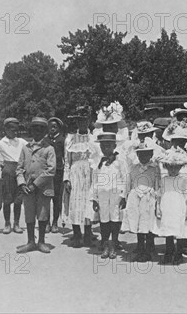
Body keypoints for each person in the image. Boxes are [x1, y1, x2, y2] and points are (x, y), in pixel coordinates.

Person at [153, 149, 187, 265]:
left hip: (179, 208)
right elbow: (159, 195)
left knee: (180, 231)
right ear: (165, 167)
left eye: (176, 167)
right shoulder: (164, 180)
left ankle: (179, 253)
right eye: (170, 167)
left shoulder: (184, 180)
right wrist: (158, 208)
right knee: (168, 230)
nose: (173, 170)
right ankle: (169, 252)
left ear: (181, 167)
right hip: (167, 208)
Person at [16, 117, 56, 254]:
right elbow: (19, 168)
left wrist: (36, 184)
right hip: (27, 189)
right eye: (35, 128)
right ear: (31, 130)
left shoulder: (49, 148)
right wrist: (21, 183)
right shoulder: (25, 148)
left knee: (43, 214)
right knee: (29, 214)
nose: (37, 131)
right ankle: (30, 242)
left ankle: (42, 241)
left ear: (45, 131)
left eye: (41, 129)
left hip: (43, 188)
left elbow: (51, 170)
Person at [63, 106, 99, 248]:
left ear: (89, 120)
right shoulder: (70, 139)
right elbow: (67, 160)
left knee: (88, 202)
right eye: (79, 120)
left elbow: (97, 158)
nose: (82, 123)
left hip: (90, 172)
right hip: (75, 172)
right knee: (75, 202)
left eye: (84, 120)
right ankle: (77, 234)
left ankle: (88, 234)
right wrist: (66, 178)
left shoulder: (94, 138)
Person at [0, 117, 27, 234]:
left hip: (19, 172)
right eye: (12, 130)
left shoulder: (22, 142)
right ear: (6, 130)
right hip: (7, 172)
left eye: (17, 130)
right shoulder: (0, 143)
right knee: (7, 200)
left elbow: (31, 151)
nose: (15, 132)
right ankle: (7, 223)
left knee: (18, 200)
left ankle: (16, 223)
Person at [122, 145, 160, 262]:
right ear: (137, 155)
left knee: (147, 224)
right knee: (138, 224)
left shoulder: (154, 169)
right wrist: (125, 196)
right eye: (141, 154)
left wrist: (158, 200)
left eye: (147, 154)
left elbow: (157, 185)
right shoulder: (133, 168)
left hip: (149, 198)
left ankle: (148, 250)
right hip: (135, 197)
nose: (144, 157)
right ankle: (140, 248)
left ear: (151, 155)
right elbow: (128, 182)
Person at [92, 133, 127, 259]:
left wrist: (123, 195)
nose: (106, 147)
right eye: (103, 145)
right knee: (104, 219)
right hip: (102, 194)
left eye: (109, 145)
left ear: (114, 145)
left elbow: (125, 177)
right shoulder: (98, 161)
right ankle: (105, 243)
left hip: (115, 194)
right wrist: (94, 199)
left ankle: (114, 243)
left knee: (115, 218)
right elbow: (94, 180)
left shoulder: (120, 161)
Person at [46, 117, 65, 234]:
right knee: (46, 197)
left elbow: (65, 157)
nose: (52, 129)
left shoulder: (62, 140)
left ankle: (55, 222)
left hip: (58, 171)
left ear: (58, 128)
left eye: (55, 127)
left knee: (56, 198)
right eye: (50, 127)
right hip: (47, 172)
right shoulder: (45, 140)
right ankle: (46, 222)